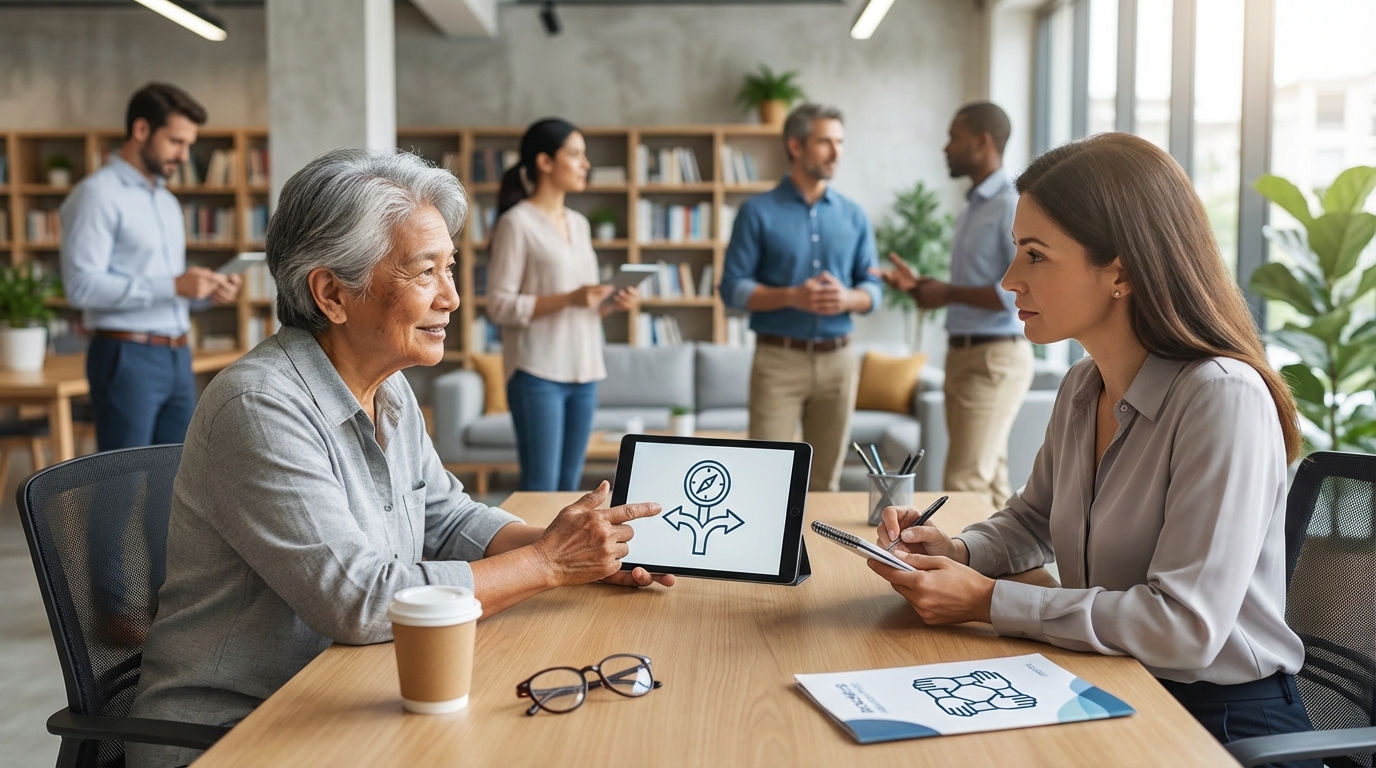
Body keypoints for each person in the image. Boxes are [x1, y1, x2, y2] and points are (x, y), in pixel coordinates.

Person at [127, 149, 674, 767]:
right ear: (332, 293)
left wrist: (566, 544)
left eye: (451, 269)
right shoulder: (258, 405)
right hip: (242, 730)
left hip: (349, 686)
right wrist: (546, 564)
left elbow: (442, 516)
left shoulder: (387, 386)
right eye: (425, 273)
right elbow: (358, 598)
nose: (453, 298)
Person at [870, 133, 1316, 763]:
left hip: (1218, 722)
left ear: (1122, 270)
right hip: (1110, 680)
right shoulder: (1085, 383)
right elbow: (1032, 518)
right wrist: (958, 548)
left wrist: (989, 600)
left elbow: (1182, 629)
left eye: (1035, 256)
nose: (1008, 280)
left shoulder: (1222, 399)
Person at [60, 82, 242, 453]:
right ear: (141, 130)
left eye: (189, 145)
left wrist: (204, 293)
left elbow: (169, 289)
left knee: (174, 483)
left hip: (178, 355)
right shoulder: (97, 195)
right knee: (121, 487)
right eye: (176, 142)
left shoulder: (167, 203)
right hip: (126, 357)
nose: (184, 155)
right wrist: (174, 286)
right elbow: (80, 286)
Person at [875, 102, 1031, 511]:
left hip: (994, 357)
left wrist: (944, 293)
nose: (946, 148)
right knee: (990, 481)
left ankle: (954, 575)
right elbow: (965, 288)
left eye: (954, 138)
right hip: (964, 354)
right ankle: (1012, 574)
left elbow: (1013, 290)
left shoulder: (1011, 203)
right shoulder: (973, 209)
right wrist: (922, 288)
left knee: (964, 481)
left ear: (982, 142)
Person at [720, 104, 882, 492]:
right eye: (825, 142)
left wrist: (848, 299)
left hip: (839, 362)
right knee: (764, 476)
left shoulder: (854, 215)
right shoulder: (756, 212)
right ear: (795, 146)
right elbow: (732, 289)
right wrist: (792, 296)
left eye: (840, 142)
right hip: (778, 363)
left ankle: (813, 556)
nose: (836, 152)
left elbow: (874, 290)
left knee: (825, 481)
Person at [487, 118, 637, 491]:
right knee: (542, 486)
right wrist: (569, 298)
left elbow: (581, 308)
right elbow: (498, 305)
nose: (586, 164)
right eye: (575, 154)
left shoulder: (580, 223)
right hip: (538, 373)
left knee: (570, 488)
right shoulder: (516, 223)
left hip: (584, 371)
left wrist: (609, 303)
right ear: (545, 162)